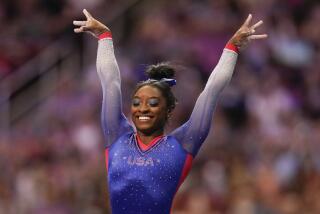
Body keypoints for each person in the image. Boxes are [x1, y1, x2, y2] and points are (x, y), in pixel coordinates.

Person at [73, 9, 267, 214]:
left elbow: (211, 91)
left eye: (153, 103)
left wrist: (232, 47)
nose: (142, 108)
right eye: (137, 102)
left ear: (168, 110)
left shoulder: (182, 144)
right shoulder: (116, 135)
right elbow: (110, 82)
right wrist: (104, 37)